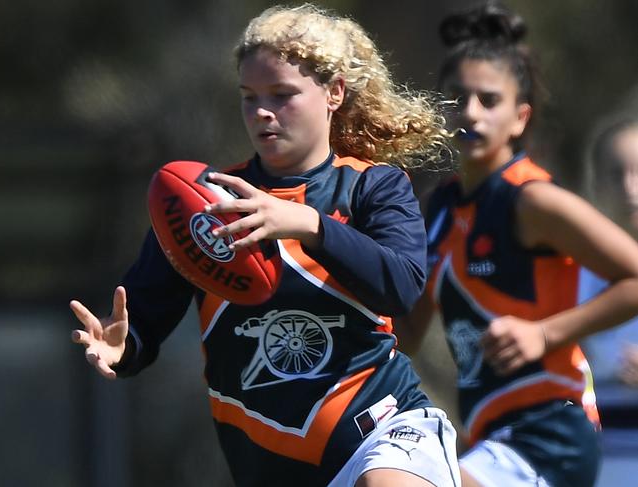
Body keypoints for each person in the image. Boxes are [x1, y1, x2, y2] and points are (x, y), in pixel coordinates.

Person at [70, 4, 461, 487]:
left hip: (378, 428)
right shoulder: (207, 202)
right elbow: (144, 314)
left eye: (282, 95)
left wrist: (311, 225)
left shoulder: (371, 187)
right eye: (249, 97)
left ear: (334, 93)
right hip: (266, 459)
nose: (261, 112)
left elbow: (402, 287)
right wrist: (122, 346)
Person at [396, 2, 638, 487]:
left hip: (550, 435)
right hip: (489, 436)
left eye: (489, 100)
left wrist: (544, 334)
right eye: (457, 97)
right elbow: (405, 334)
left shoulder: (532, 200)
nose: (470, 112)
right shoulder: (438, 207)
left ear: (520, 117)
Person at [580, 113, 638, 388]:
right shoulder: (573, 270)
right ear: (596, 185)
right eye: (616, 174)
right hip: (597, 427)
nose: (630, 188)